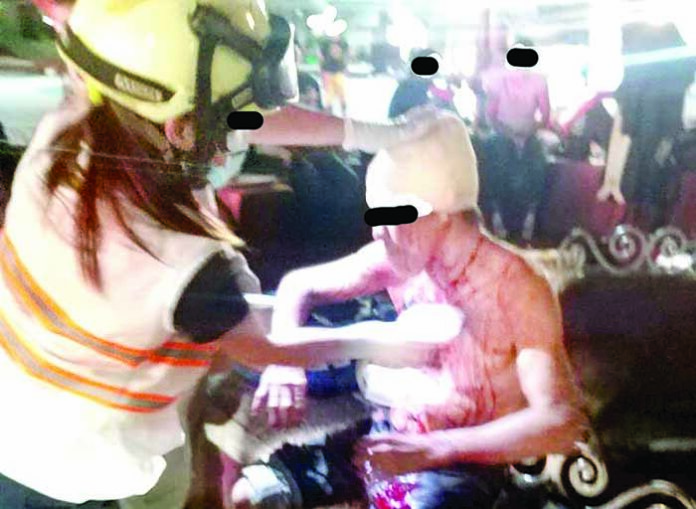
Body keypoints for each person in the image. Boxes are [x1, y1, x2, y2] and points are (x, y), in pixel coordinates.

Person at [0, 1, 448, 508]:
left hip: (15, 414)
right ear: (179, 128)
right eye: (223, 125)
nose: (231, 142)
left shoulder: (78, 125)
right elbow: (266, 344)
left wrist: (373, 134)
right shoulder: (177, 258)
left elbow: (229, 114)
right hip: (73, 473)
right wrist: (383, 341)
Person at [230, 113, 589, 509]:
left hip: (461, 464)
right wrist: (284, 363)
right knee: (251, 494)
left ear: (444, 211)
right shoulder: (399, 258)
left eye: (392, 217)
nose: (377, 233)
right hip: (387, 434)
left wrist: (437, 448)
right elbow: (300, 285)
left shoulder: (516, 287)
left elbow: (561, 420)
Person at [596, 21, 696, 231]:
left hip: (640, 164)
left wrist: (612, 179)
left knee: (639, 217)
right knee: (655, 213)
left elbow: (623, 128)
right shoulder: (676, 76)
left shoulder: (636, 83)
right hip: (665, 160)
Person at [479, 37, 551, 243]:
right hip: (502, 134)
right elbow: (490, 116)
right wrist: (509, 133)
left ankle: (530, 217)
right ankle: (497, 217)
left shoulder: (539, 81)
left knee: (538, 166)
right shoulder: (498, 81)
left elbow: (545, 115)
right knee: (497, 163)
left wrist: (528, 131)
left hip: (528, 134)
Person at [319, 38, 349, 116]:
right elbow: (321, 57)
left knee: (341, 92)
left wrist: (345, 67)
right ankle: (329, 111)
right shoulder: (325, 43)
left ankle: (343, 111)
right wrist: (321, 71)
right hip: (327, 71)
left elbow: (345, 56)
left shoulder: (343, 43)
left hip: (338, 71)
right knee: (329, 93)